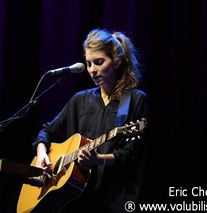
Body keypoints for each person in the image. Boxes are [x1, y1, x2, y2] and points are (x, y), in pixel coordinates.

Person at [30, 28, 149, 213]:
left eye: (99, 62)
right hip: (77, 200)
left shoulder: (134, 100)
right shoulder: (80, 100)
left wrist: (99, 159)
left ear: (116, 61)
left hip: (115, 198)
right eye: (88, 64)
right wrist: (41, 153)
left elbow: (132, 154)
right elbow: (46, 131)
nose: (92, 70)